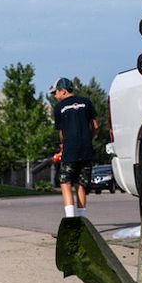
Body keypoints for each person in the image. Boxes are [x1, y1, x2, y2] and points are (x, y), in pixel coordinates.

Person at [50, 78, 98, 217]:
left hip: (70, 149)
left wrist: (62, 145)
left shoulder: (59, 108)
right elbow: (95, 126)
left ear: (63, 91)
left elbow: (62, 132)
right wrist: (89, 139)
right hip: (86, 150)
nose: (55, 96)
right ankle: (82, 220)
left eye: (56, 92)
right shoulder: (87, 102)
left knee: (65, 182)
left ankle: (70, 220)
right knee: (80, 184)